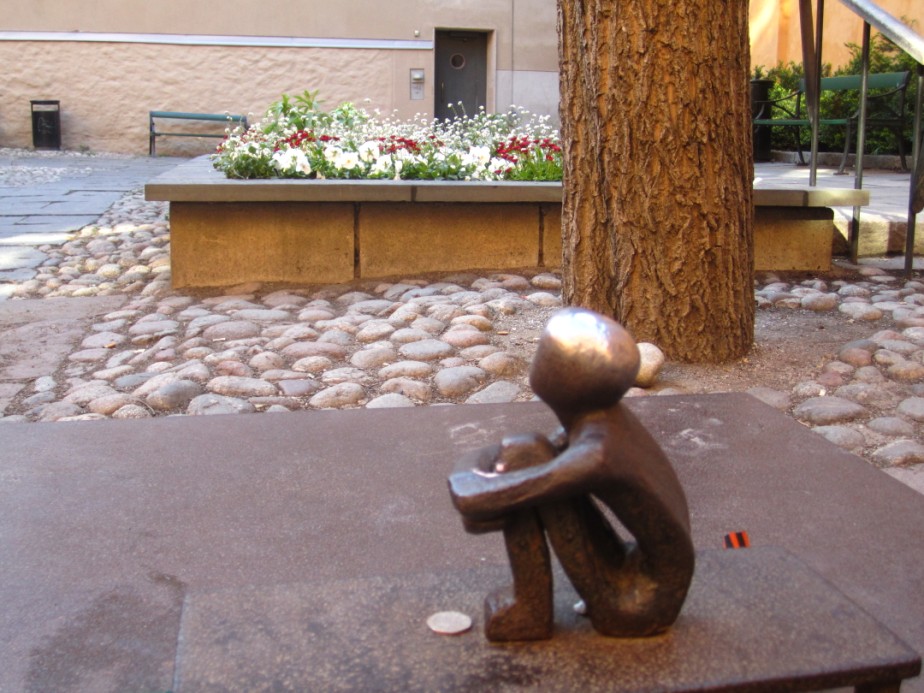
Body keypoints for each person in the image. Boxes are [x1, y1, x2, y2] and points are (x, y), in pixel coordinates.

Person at [449, 308, 695, 641]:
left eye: (545, 350)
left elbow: (471, 497)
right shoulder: (598, 419)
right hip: (635, 569)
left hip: (640, 604)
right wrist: (490, 492)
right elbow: (492, 481)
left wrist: (489, 497)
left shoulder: (597, 453)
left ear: (564, 378)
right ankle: (528, 608)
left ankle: (530, 610)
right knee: (527, 451)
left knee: (526, 460)